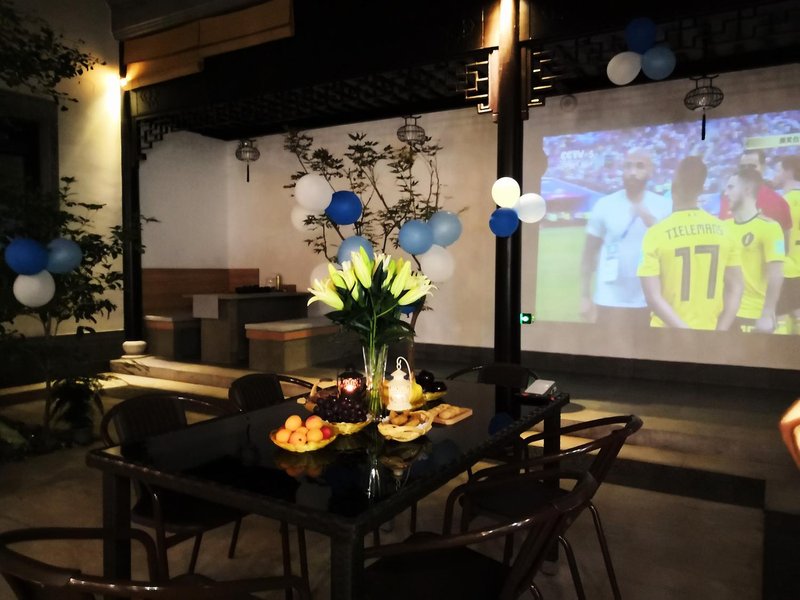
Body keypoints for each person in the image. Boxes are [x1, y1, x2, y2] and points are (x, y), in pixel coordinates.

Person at [637, 157, 743, 330]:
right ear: (702, 189)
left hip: (666, 334)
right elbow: (736, 286)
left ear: (673, 187)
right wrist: (720, 331)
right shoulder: (725, 230)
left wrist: (686, 333)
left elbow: (653, 297)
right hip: (709, 333)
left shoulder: (655, 234)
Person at [580, 148, 670, 327]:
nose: (632, 172)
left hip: (650, 300)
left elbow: (671, 253)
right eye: (628, 166)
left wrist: (650, 221)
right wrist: (584, 296)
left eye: (640, 166)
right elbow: (588, 253)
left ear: (650, 171)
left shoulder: (664, 206)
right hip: (609, 300)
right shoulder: (605, 205)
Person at [724, 166, 785, 332]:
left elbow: (776, 274)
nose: (726, 193)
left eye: (731, 187)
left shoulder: (771, 228)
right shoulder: (723, 227)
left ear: (747, 189)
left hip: (752, 315)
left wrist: (767, 313)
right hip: (725, 313)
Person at [718, 149, 792, 232]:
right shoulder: (727, 198)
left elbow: (784, 237)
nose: (746, 170)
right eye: (742, 167)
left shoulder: (778, 202)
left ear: (763, 168)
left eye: (752, 166)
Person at [774, 155, 800, 332]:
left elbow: (777, 239)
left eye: (778, 170)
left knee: (781, 318)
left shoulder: (782, 203)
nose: (776, 175)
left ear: (788, 172)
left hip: (786, 269)